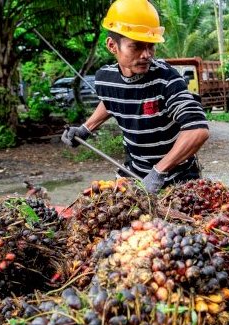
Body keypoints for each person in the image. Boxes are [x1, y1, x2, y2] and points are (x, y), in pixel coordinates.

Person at [61, 0, 209, 194]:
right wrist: (84, 129)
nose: (147, 54)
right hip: (133, 173)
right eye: (137, 46)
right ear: (112, 46)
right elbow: (110, 101)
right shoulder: (105, 79)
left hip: (177, 177)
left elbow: (197, 129)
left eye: (151, 46)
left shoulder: (167, 79)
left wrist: (158, 172)